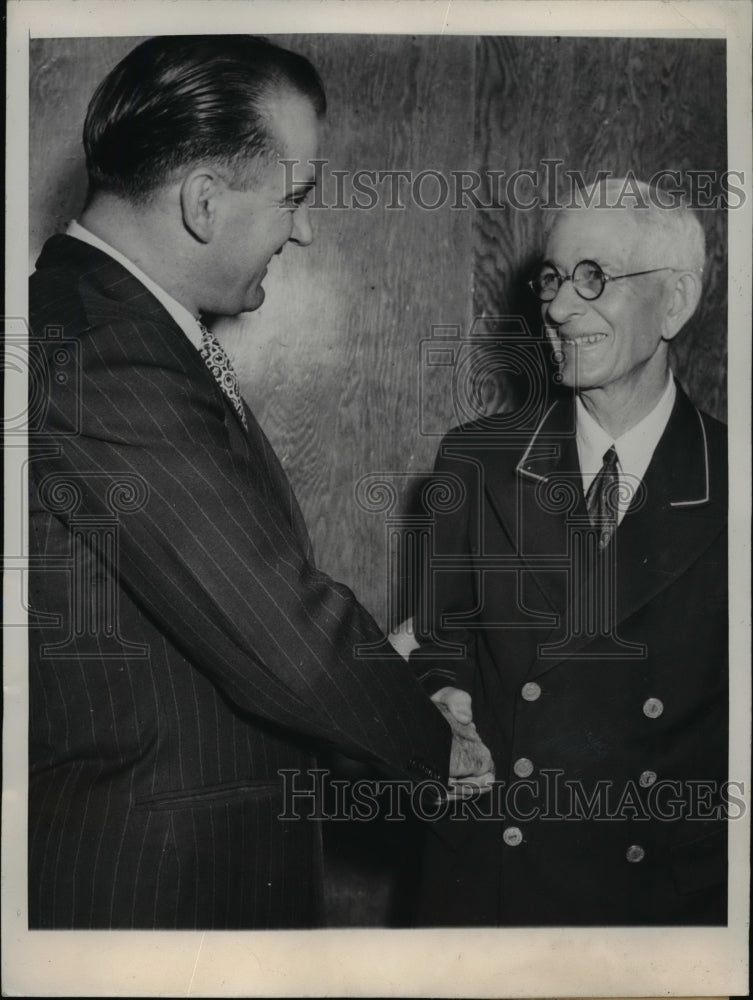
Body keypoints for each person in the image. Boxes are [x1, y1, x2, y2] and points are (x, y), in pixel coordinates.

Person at [27, 34, 492, 930]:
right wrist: (441, 750)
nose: (304, 229)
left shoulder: (113, 328)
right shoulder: (107, 352)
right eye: (296, 197)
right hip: (150, 896)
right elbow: (278, 627)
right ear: (204, 200)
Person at [410, 178, 728, 925]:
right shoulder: (474, 462)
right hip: (492, 891)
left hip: (664, 907)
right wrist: (440, 705)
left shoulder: (737, 476)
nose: (555, 307)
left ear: (674, 302)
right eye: (552, 279)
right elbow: (437, 639)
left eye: (593, 278)